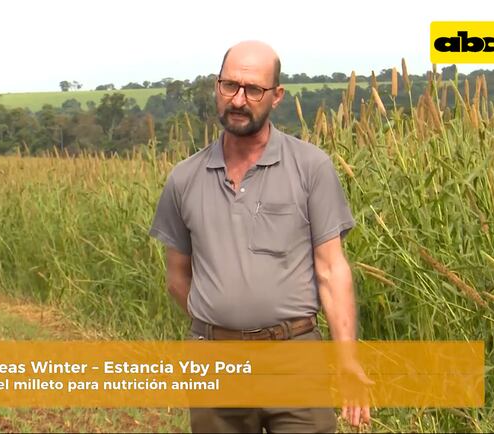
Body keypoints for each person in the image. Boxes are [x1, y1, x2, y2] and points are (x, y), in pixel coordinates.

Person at [149, 40, 370, 433]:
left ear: (277, 96)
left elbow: (331, 270)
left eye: (253, 89)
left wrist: (347, 359)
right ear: (216, 86)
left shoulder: (310, 167)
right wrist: (223, 327)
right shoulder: (184, 178)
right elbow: (177, 277)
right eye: (229, 86)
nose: (238, 100)